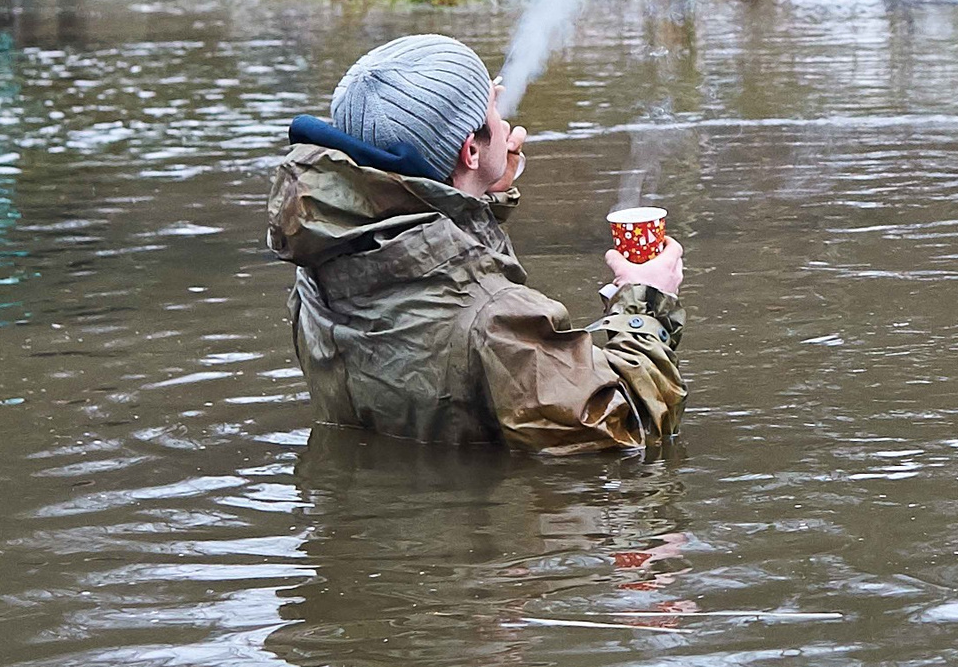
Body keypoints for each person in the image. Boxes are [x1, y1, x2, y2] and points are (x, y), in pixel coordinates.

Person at [266, 33, 686, 453]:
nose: (506, 124)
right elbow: (625, 430)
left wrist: (478, 196)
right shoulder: (496, 323)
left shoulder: (320, 267)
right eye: (493, 110)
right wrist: (646, 304)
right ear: (469, 151)